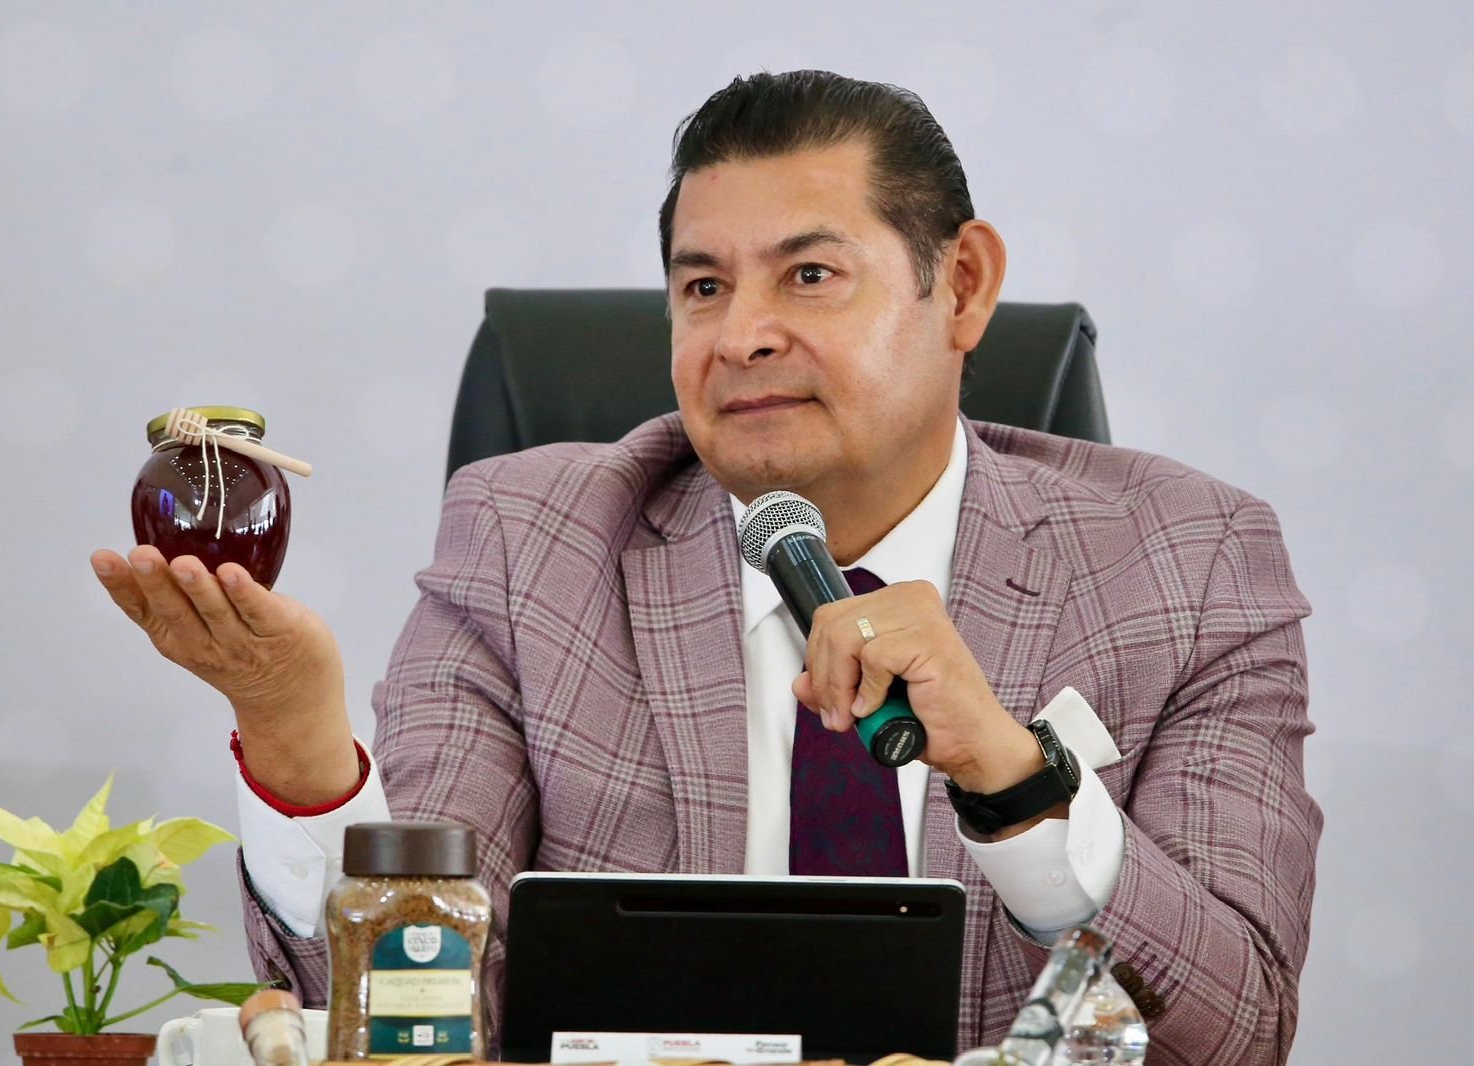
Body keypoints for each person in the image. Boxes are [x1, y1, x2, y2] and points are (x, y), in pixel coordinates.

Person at [91, 70, 1320, 1064]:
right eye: (701, 286)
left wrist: (1013, 776)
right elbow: (415, 1017)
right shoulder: (531, 542)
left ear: (961, 285)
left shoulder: (1188, 562)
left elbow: (1238, 1032)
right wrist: (297, 739)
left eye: (810, 275)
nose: (740, 336)